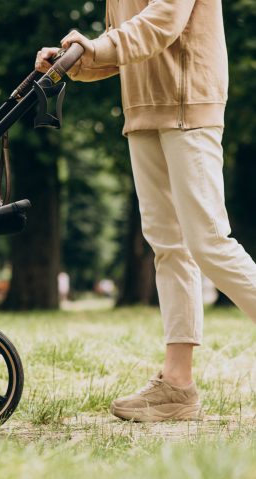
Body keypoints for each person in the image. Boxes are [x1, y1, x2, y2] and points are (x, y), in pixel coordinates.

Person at [36, 0, 256, 422]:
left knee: (209, 242)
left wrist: (94, 47)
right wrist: (73, 61)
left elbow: (163, 23)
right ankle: (177, 387)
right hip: (143, 113)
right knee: (170, 247)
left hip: (190, 106)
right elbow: (124, 47)